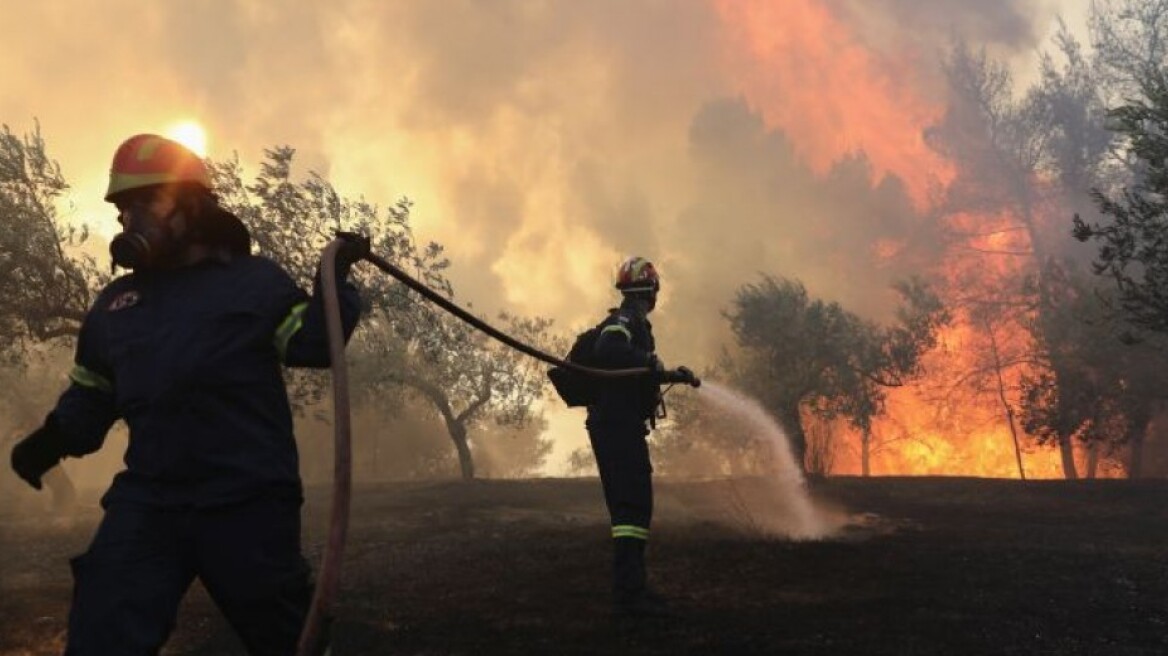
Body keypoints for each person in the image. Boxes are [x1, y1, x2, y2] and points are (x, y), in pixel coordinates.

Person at [8, 134, 367, 656]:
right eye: (124, 208)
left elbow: (313, 343)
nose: (131, 221)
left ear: (193, 208)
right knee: (103, 628)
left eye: (145, 203)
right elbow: (90, 400)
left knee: (289, 640)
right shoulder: (115, 306)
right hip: (151, 503)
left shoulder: (254, 284)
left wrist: (335, 281)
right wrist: (48, 442)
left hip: (247, 503)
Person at [586, 256, 697, 618]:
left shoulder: (633, 324)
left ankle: (633, 589)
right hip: (616, 428)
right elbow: (609, 350)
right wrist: (650, 363)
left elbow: (630, 368)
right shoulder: (624, 321)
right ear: (652, 290)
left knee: (633, 509)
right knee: (631, 509)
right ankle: (629, 596)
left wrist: (673, 375)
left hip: (621, 427)